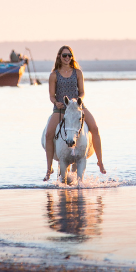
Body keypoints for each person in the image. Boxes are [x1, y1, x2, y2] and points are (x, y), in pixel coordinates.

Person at [43, 45, 105, 181]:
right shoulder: (54, 75)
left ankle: (100, 162)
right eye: (64, 55)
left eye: (69, 55)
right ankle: (49, 168)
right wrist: (56, 102)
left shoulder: (78, 73)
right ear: (59, 56)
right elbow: (51, 96)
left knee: (94, 128)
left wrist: (79, 100)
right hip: (61, 108)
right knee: (48, 134)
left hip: (77, 106)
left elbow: (82, 92)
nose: (67, 58)